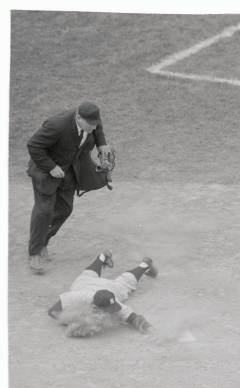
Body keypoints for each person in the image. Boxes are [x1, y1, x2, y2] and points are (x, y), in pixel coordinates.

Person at [26, 102, 113, 274]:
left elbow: (98, 128)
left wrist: (101, 144)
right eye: (90, 125)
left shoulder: (91, 119)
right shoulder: (57, 125)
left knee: (65, 209)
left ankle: (43, 240)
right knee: (44, 210)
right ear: (78, 118)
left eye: (95, 123)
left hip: (69, 170)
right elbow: (33, 145)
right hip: (46, 171)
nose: (93, 128)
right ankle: (34, 252)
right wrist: (51, 166)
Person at [48, 250, 157, 337]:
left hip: (110, 288)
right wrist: (72, 320)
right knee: (87, 275)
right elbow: (52, 311)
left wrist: (150, 330)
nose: (113, 309)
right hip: (84, 285)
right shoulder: (77, 297)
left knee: (124, 284)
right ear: (95, 306)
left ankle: (145, 264)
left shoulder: (116, 300)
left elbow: (134, 318)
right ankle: (102, 257)